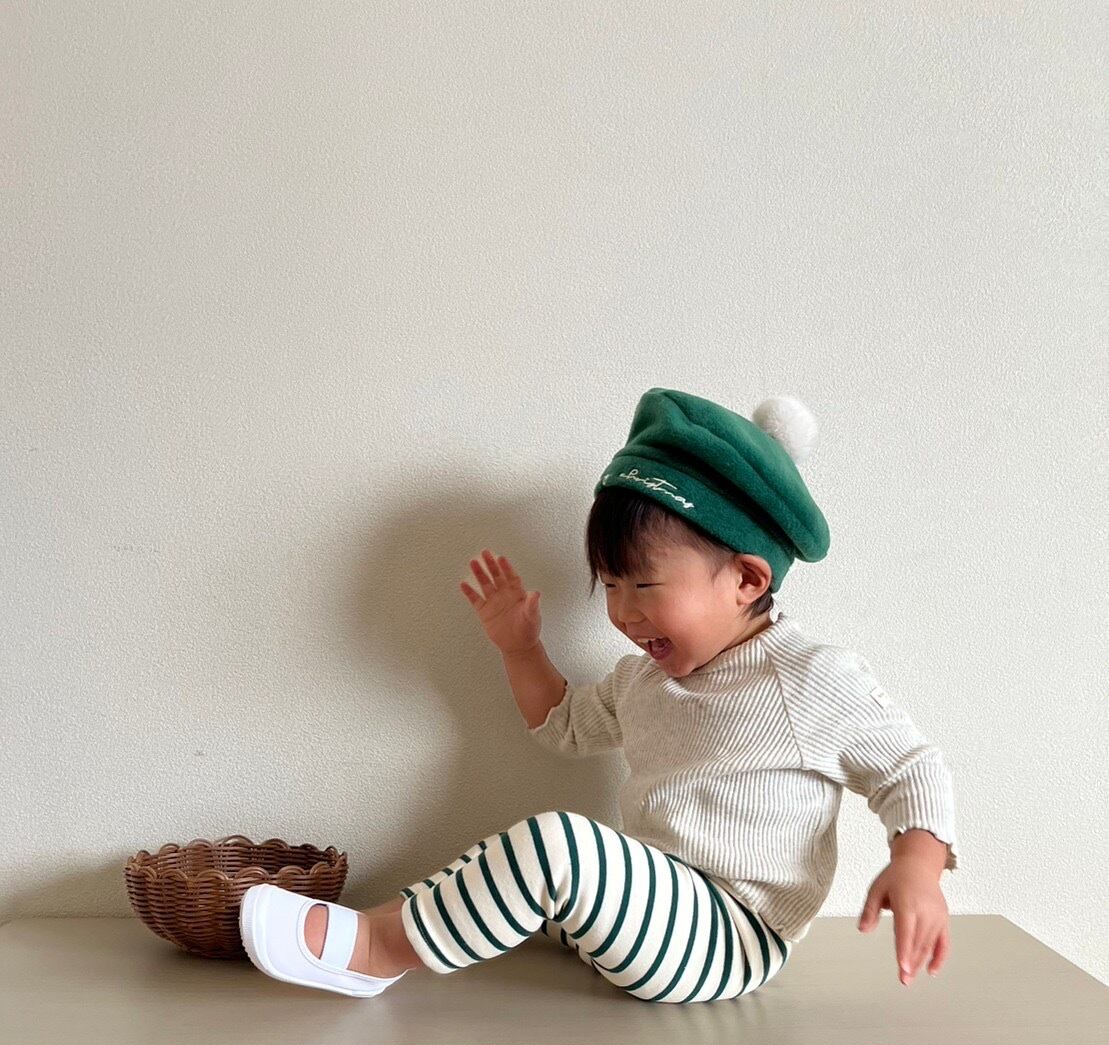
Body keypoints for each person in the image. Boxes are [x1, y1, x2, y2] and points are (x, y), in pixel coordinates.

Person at [239, 388, 959, 1003]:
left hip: (730, 936)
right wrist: (521, 649)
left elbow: (911, 768)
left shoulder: (807, 678)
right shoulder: (644, 680)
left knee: (558, 844)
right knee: (512, 856)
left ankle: (375, 951)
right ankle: (391, 921)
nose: (623, 612)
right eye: (609, 586)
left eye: (644, 585)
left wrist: (916, 866)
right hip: (652, 906)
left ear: (746, 580)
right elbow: (561, 724)